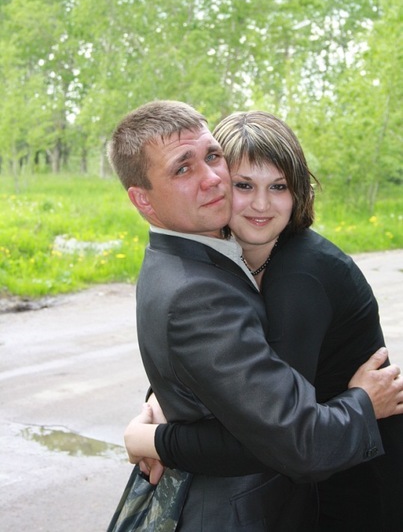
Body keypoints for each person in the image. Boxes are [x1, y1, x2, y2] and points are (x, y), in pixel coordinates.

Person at [108, 100, 403, 531]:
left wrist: (152, 439)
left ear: (299, 192)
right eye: (244, 184)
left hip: (348, 488)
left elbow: (280, 439)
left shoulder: (299, 274)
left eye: (279, 186)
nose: (261, 204)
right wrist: (159, 399)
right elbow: (222, 362)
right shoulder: (223, 255)